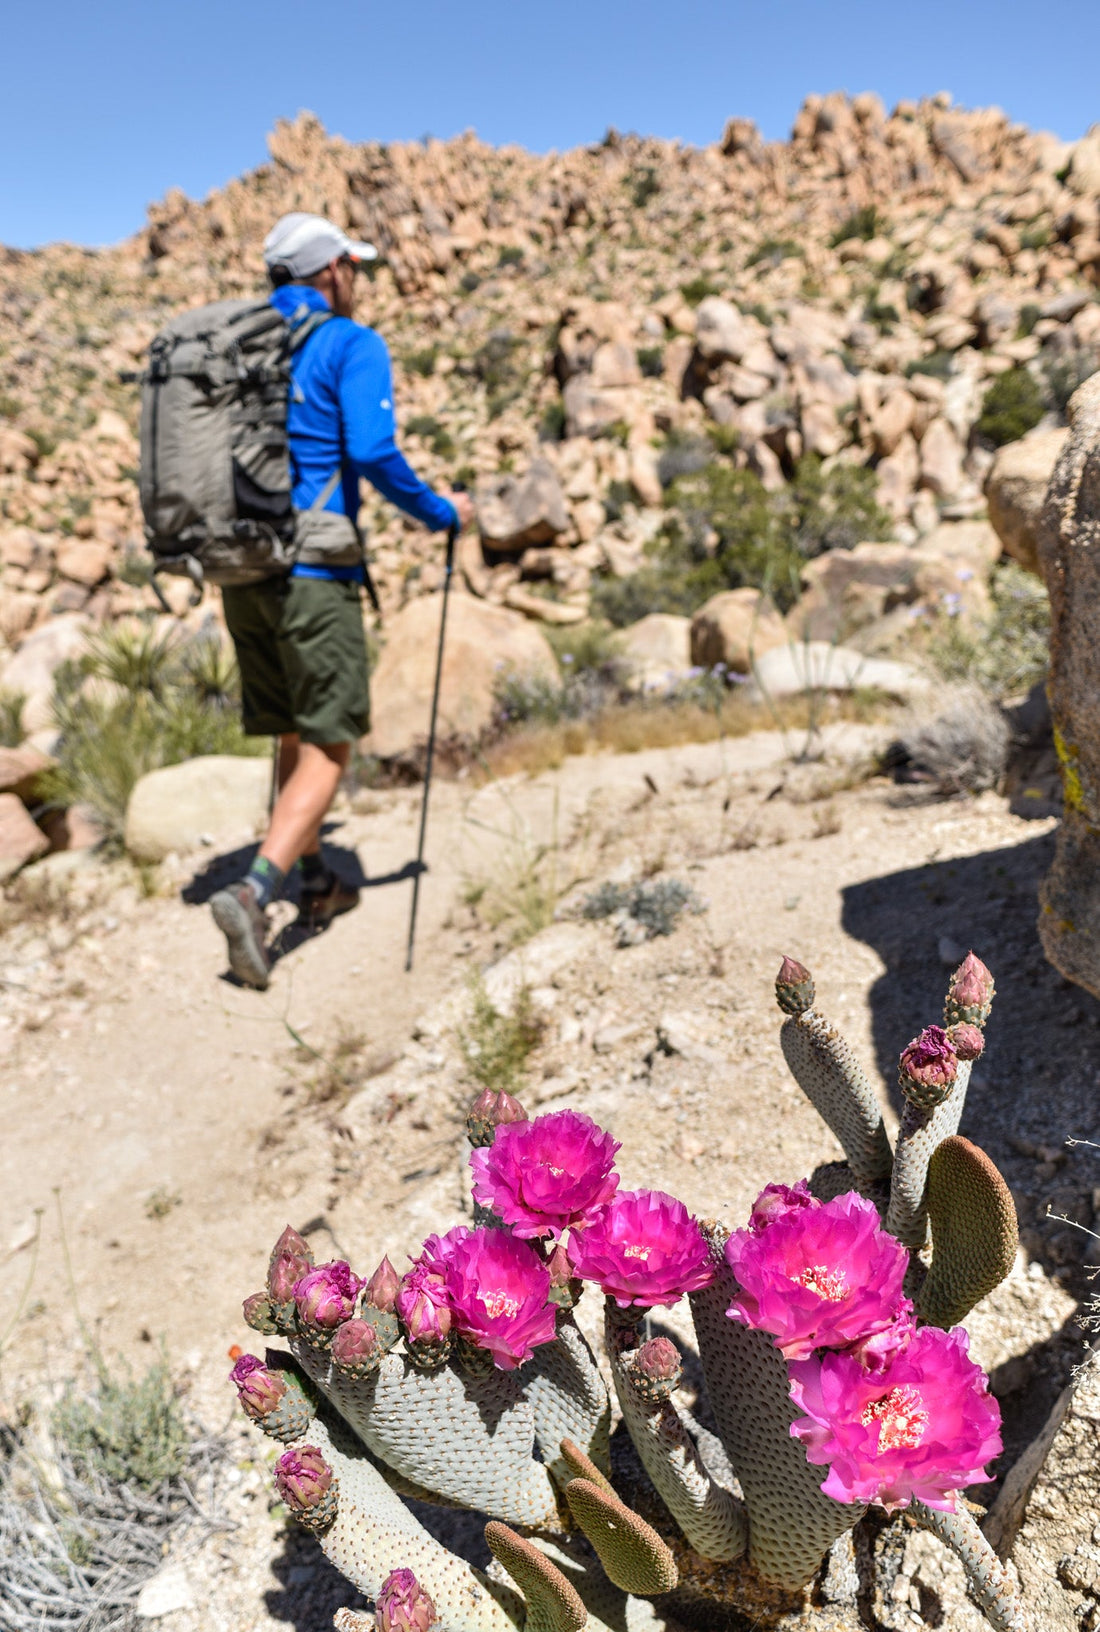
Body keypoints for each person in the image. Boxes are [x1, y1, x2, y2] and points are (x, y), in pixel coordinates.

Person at [209, 212, 474, 990]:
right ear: (331, 272)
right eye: (352, 267)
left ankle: (317, 876)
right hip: (314, 575)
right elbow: (372, 449)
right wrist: (440, 512)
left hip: (242, 572)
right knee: (330, 746)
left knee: (292, 729)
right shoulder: (350, 343)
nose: (356, 280)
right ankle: (253, 892)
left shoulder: (238, 347)